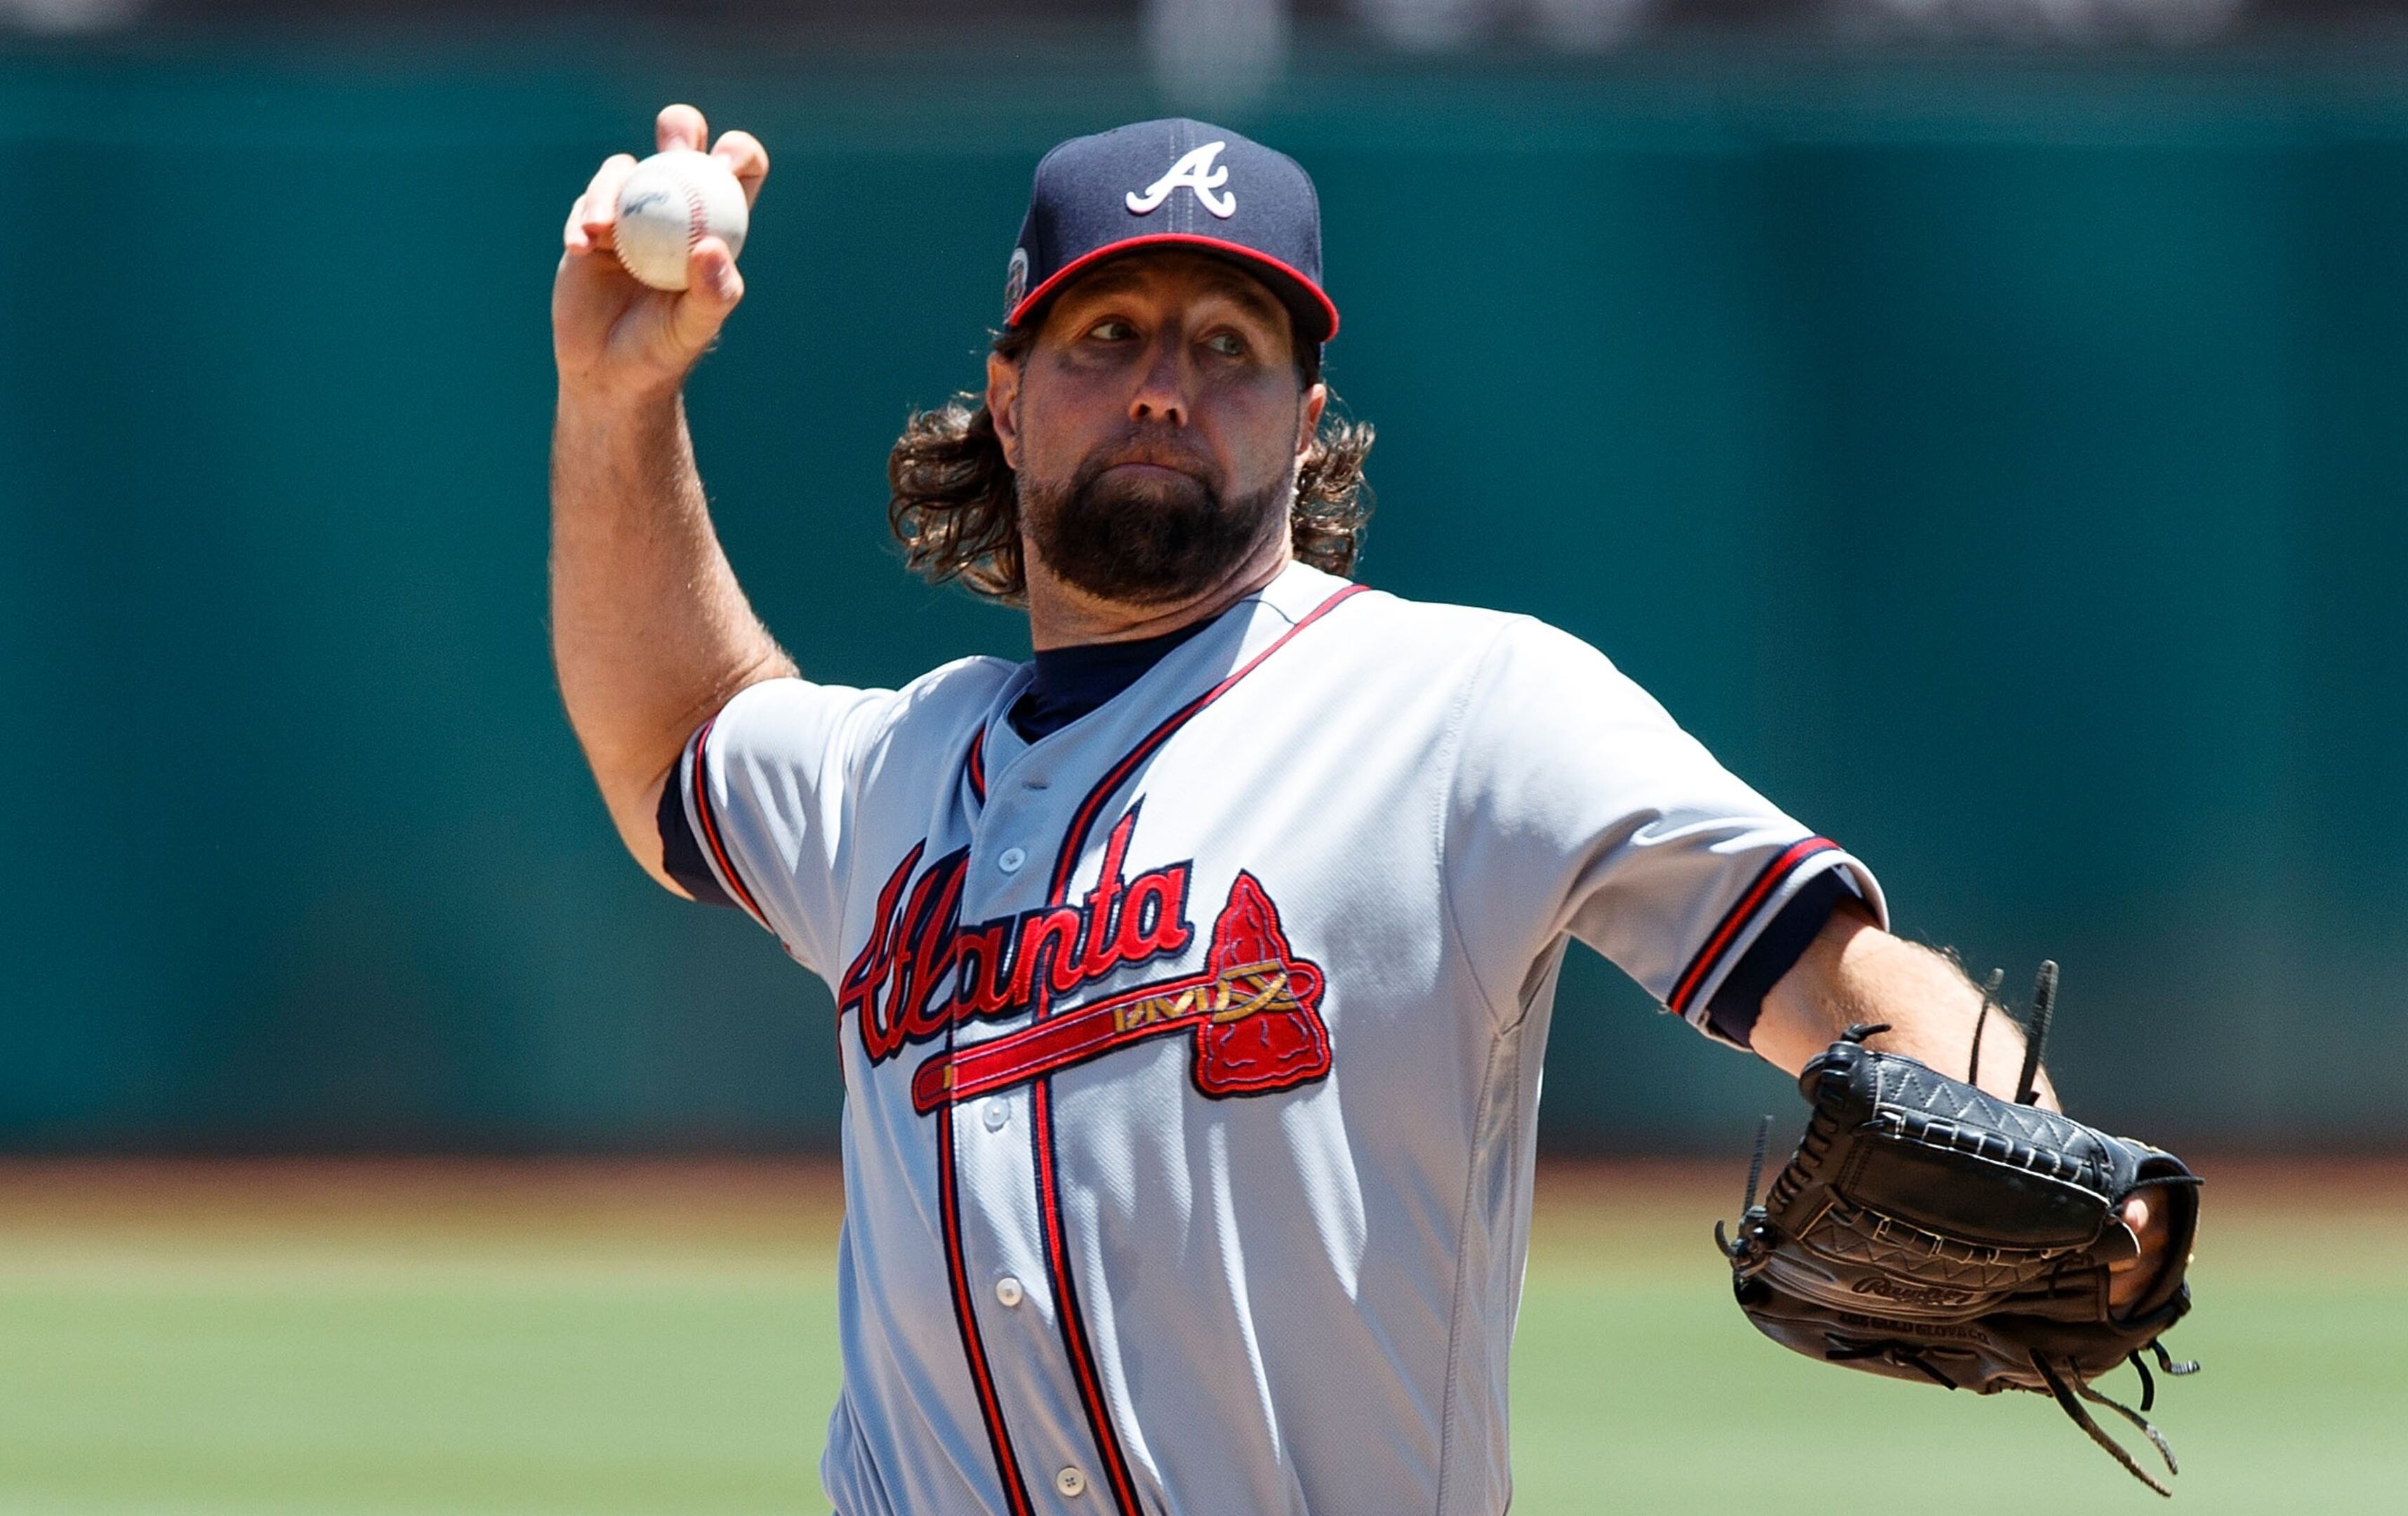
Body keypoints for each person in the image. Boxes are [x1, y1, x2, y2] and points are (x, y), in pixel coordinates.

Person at [550, 107, 2172, 1516]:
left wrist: (2043, 1145)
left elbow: (1831, 972)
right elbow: (679, 735)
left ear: (1308, 419)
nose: (1166, 388)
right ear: (1010, 391)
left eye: (1229, 347)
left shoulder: (1469, 713)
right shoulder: (892, 776)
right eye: (1108, 335)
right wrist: (618, 402)